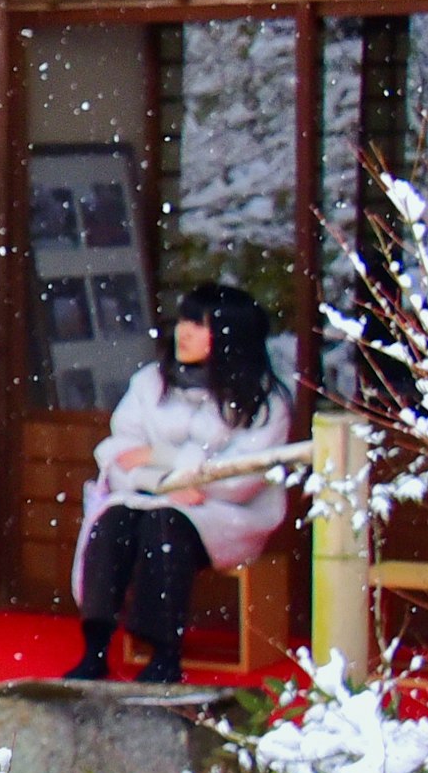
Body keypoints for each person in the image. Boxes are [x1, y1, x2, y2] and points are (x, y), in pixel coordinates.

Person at [69, 282, 291, 684]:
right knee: (114, 520)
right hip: (150, 495)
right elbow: (119, 452)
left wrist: (163, 459)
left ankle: (165, 654)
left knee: (164, 526)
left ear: (230, 336)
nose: (183, 333)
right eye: (184, 321)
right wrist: (163, 482)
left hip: (225, 514)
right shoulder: (151, 383)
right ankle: (95, 647)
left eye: (199, 325)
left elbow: (242, 479)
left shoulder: (264, 400)